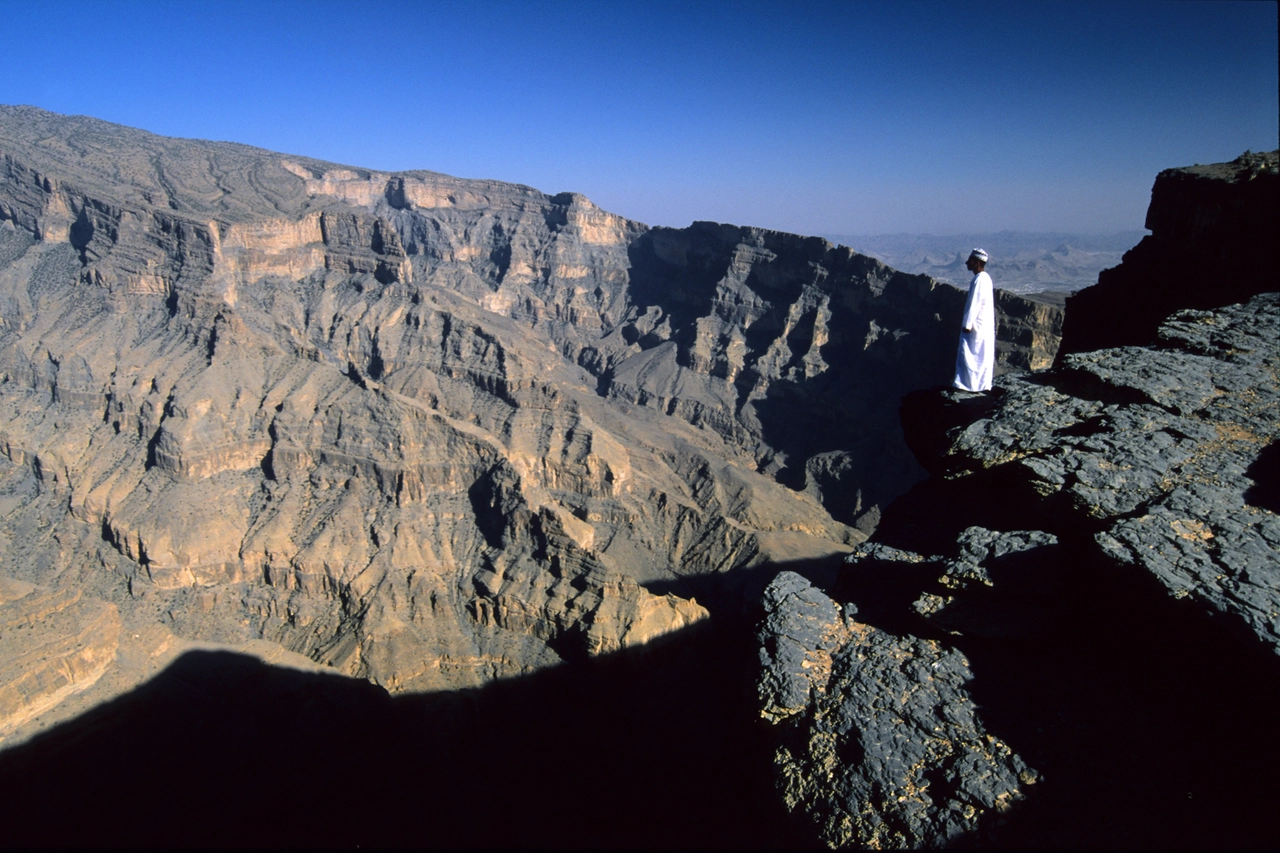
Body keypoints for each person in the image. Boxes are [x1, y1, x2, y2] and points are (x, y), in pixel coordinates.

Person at [953, 248, 995, 392]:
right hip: (982, 327)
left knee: (970, 356)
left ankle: (968, 385)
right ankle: (980, 385)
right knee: (980, 357)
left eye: (970, 260)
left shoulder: (979, 280)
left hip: (975, 327)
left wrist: (967, 324)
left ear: (976, 262)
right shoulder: (986, 278)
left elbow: (974, 303)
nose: (966, 263)